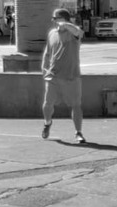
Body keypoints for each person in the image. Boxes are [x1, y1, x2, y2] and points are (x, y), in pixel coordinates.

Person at [41, 8, 86, 144]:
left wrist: (66, 25)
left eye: (55, 18)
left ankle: (78, 132)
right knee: (47, 105)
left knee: (76, 105)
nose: (53, 21)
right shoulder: (52, 33)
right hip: (53, 76)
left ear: (63, 19)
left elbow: (79, 32)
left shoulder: (73, 33)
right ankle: (47, 123)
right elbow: (47, 53)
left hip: (71, 76)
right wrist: (44, 67)